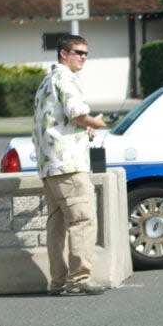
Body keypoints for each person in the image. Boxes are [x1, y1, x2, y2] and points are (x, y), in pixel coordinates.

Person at [32, 34, 109, 295]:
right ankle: (78, 281)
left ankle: (58, 281)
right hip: (69, 166)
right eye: (78, 52)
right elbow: (77, 114)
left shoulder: (46, 82)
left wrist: (81, 131)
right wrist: (95, 123)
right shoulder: (66, 78)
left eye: (86, 53)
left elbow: (55, 123)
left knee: (56, 225)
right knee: (83, 220)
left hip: (49, 167)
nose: (84, 57)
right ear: (63, 54)